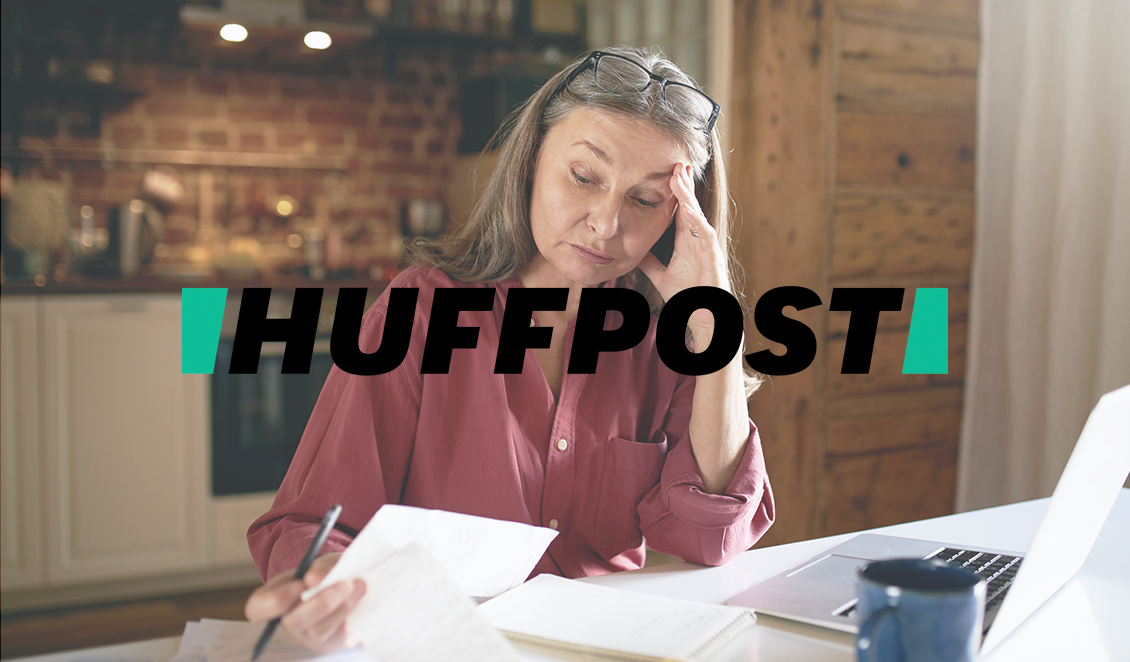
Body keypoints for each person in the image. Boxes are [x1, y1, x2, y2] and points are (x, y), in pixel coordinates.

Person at [243, 45, 775, 653]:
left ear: (681, 217)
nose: (606, 223)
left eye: (646, 199)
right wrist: (319, 589)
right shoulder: (420, 311)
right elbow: (310, 525)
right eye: (583, 176)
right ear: (530, 162)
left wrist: (715, 324)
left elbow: (710, 537)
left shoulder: (668, 341)